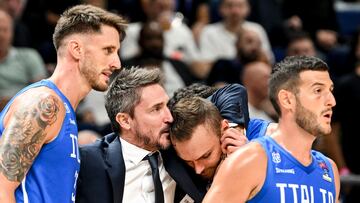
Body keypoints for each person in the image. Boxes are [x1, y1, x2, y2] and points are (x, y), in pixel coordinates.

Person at [0, 4, 127, 203]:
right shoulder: (43, 103)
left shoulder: (64, 108)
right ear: (76, 49)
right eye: (108, 50)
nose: (117, 63)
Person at [203, 55, 340, 202]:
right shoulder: (251, 159)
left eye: (330, 90)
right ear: (287, 100)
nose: (331, 101)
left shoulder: (329, 169)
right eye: (318, 90)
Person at [75, 67, 206, 203]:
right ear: (125, 121)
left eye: (167, 105)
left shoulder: (180, 146)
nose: (169, 117)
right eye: (156, 109)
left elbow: (226, 94)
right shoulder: (88, 162)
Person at [0, 8, 47, 111]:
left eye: (5, 30)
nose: (1, 35)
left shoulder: (29, 56)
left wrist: (12, 102)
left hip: (27, 112)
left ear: (12, 33)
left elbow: (42, 91)